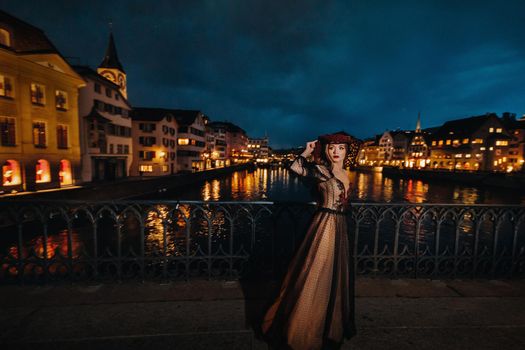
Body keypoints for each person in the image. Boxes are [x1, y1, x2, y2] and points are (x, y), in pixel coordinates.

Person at [261, 131, 361, 350]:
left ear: (347, 151)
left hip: (341, 227)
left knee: (334, 276)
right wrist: (306, 151)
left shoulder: (345, 172)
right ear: (325, 150)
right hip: (325, 226)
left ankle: (328, 323)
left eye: (341, 148)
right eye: (332, 148)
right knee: (317, 273)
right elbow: (295, 168)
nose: (336, 152)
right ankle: (303, 327)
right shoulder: (322, 171)